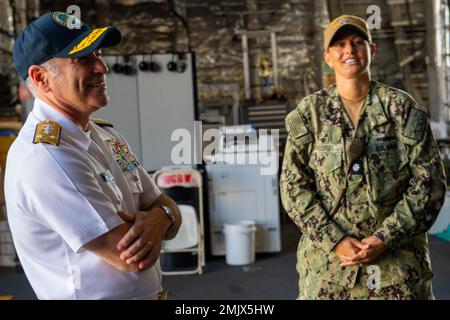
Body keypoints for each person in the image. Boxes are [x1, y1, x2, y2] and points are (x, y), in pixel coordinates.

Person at [4, 11, 182, 300]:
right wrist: (162, 217)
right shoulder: (47, 158)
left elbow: (165, 205)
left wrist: (160, 216)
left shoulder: (109, 137)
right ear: (41, 78)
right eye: (84, 59)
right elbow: (132, 258)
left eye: (98, 54)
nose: (102, 67)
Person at [280, 15, 446, 300]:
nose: (350, 51)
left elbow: (429, 183)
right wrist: (335, 240)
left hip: (396, 270)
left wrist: (384, 238)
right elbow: (293, 187)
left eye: (358, 42)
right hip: (329, 271)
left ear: (372, 49)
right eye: (340, 44)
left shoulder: (401, 109)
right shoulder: (310, 114)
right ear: (327, 56)